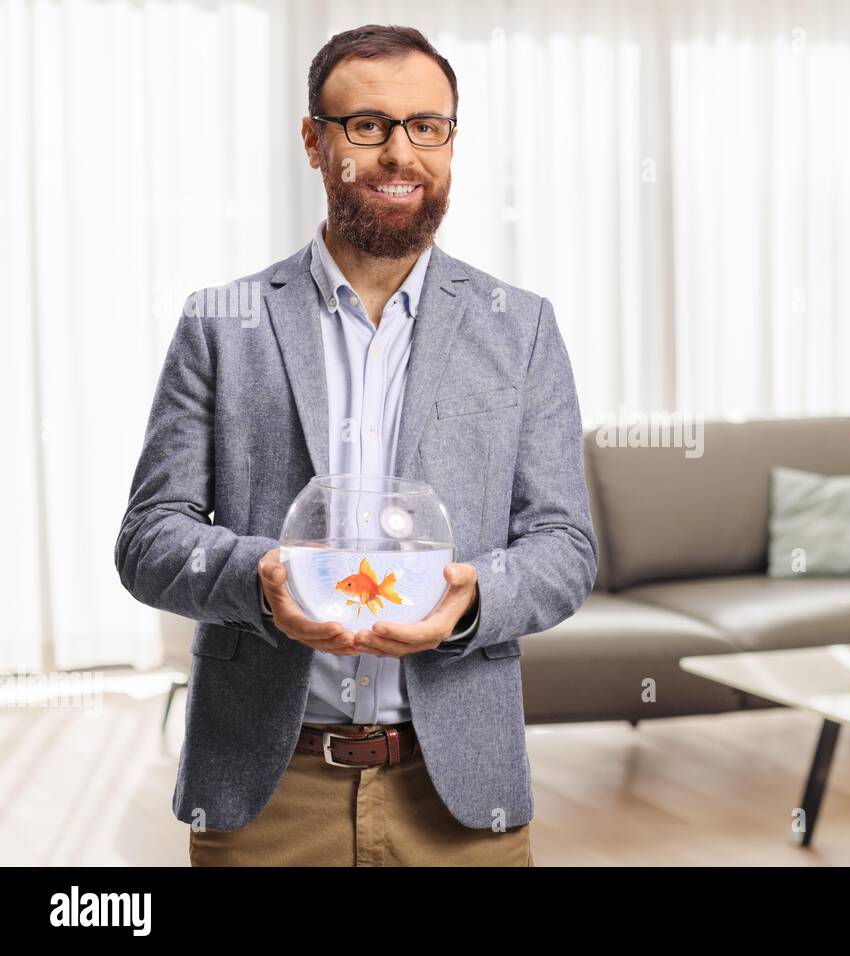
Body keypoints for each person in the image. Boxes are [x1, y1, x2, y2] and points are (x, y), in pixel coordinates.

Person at [115, 23, 597, 866]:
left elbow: (565, 546)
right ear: (315, 141)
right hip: (269, 793)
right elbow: (150, 540)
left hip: (458, 796)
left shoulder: (520, 329)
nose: (399, 153)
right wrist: (264, 581)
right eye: (367, 126)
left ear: (451, 139)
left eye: (427, 126)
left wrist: (472, 597)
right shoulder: (222, 325)